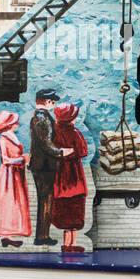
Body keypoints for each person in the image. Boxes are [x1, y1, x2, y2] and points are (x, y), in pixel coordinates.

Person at [28, 88, 72, 247]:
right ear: (47, 101)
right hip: (44, 165)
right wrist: (61, 153)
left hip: (43, 164)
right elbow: (45, 144)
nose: (53, 104)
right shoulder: (41, 118)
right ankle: (42, 236)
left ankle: (42, 234)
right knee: (45, 200)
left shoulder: (41, 117)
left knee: (46, 200)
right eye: (52, 101)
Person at [0, 111, 30, 248]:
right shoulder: (3, 139)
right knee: (8, 201)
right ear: (9, 125)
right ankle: (6, 234)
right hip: (9, 175)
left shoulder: (12, 137)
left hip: (16, 173)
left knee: (15, 202)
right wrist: (22, 159)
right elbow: (5, 160)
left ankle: (10, 233)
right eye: (14, 122)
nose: (17, 124)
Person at [51, 102, 89, 248]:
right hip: (74, 176)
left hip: (59, 177)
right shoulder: (75, 133)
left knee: (64, 210)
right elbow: (83, 151)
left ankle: (69, 244)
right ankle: (70, 244)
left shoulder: (52, 132)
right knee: (74, 209)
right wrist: (70, 152)